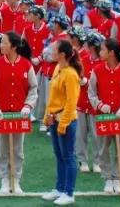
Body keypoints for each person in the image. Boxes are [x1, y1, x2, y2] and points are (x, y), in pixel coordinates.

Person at [0, 31, 37, 195]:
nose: (1, 45)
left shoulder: (26, 65)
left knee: (18, 149)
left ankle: (16, 179)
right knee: (2, 149)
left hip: (20, 115)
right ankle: (4, 180)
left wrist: (28, 105)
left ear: (13, 46)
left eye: (4, 42)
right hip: (2, 115)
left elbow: (33, 88)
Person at [88, 38, 120, 194]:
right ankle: (108, 178)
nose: (100, 52)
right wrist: (100, 105)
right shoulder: (97, 70)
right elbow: (91, 93)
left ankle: (118, 178)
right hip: (103, 117)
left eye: (102, 49)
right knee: (103, 149)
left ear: (111, 53)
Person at [42, 40, 82, 206]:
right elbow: (52, 97)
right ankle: (59, 188)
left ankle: (69, 192)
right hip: (54, 118)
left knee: (68, 156)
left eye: (54, 50)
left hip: (65, 120)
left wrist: (63, 123)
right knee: (59, 155)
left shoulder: (71, 74)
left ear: (62, 54)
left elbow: (72, 103)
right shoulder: (58, 68)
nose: (51, 51)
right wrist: (47, 116)